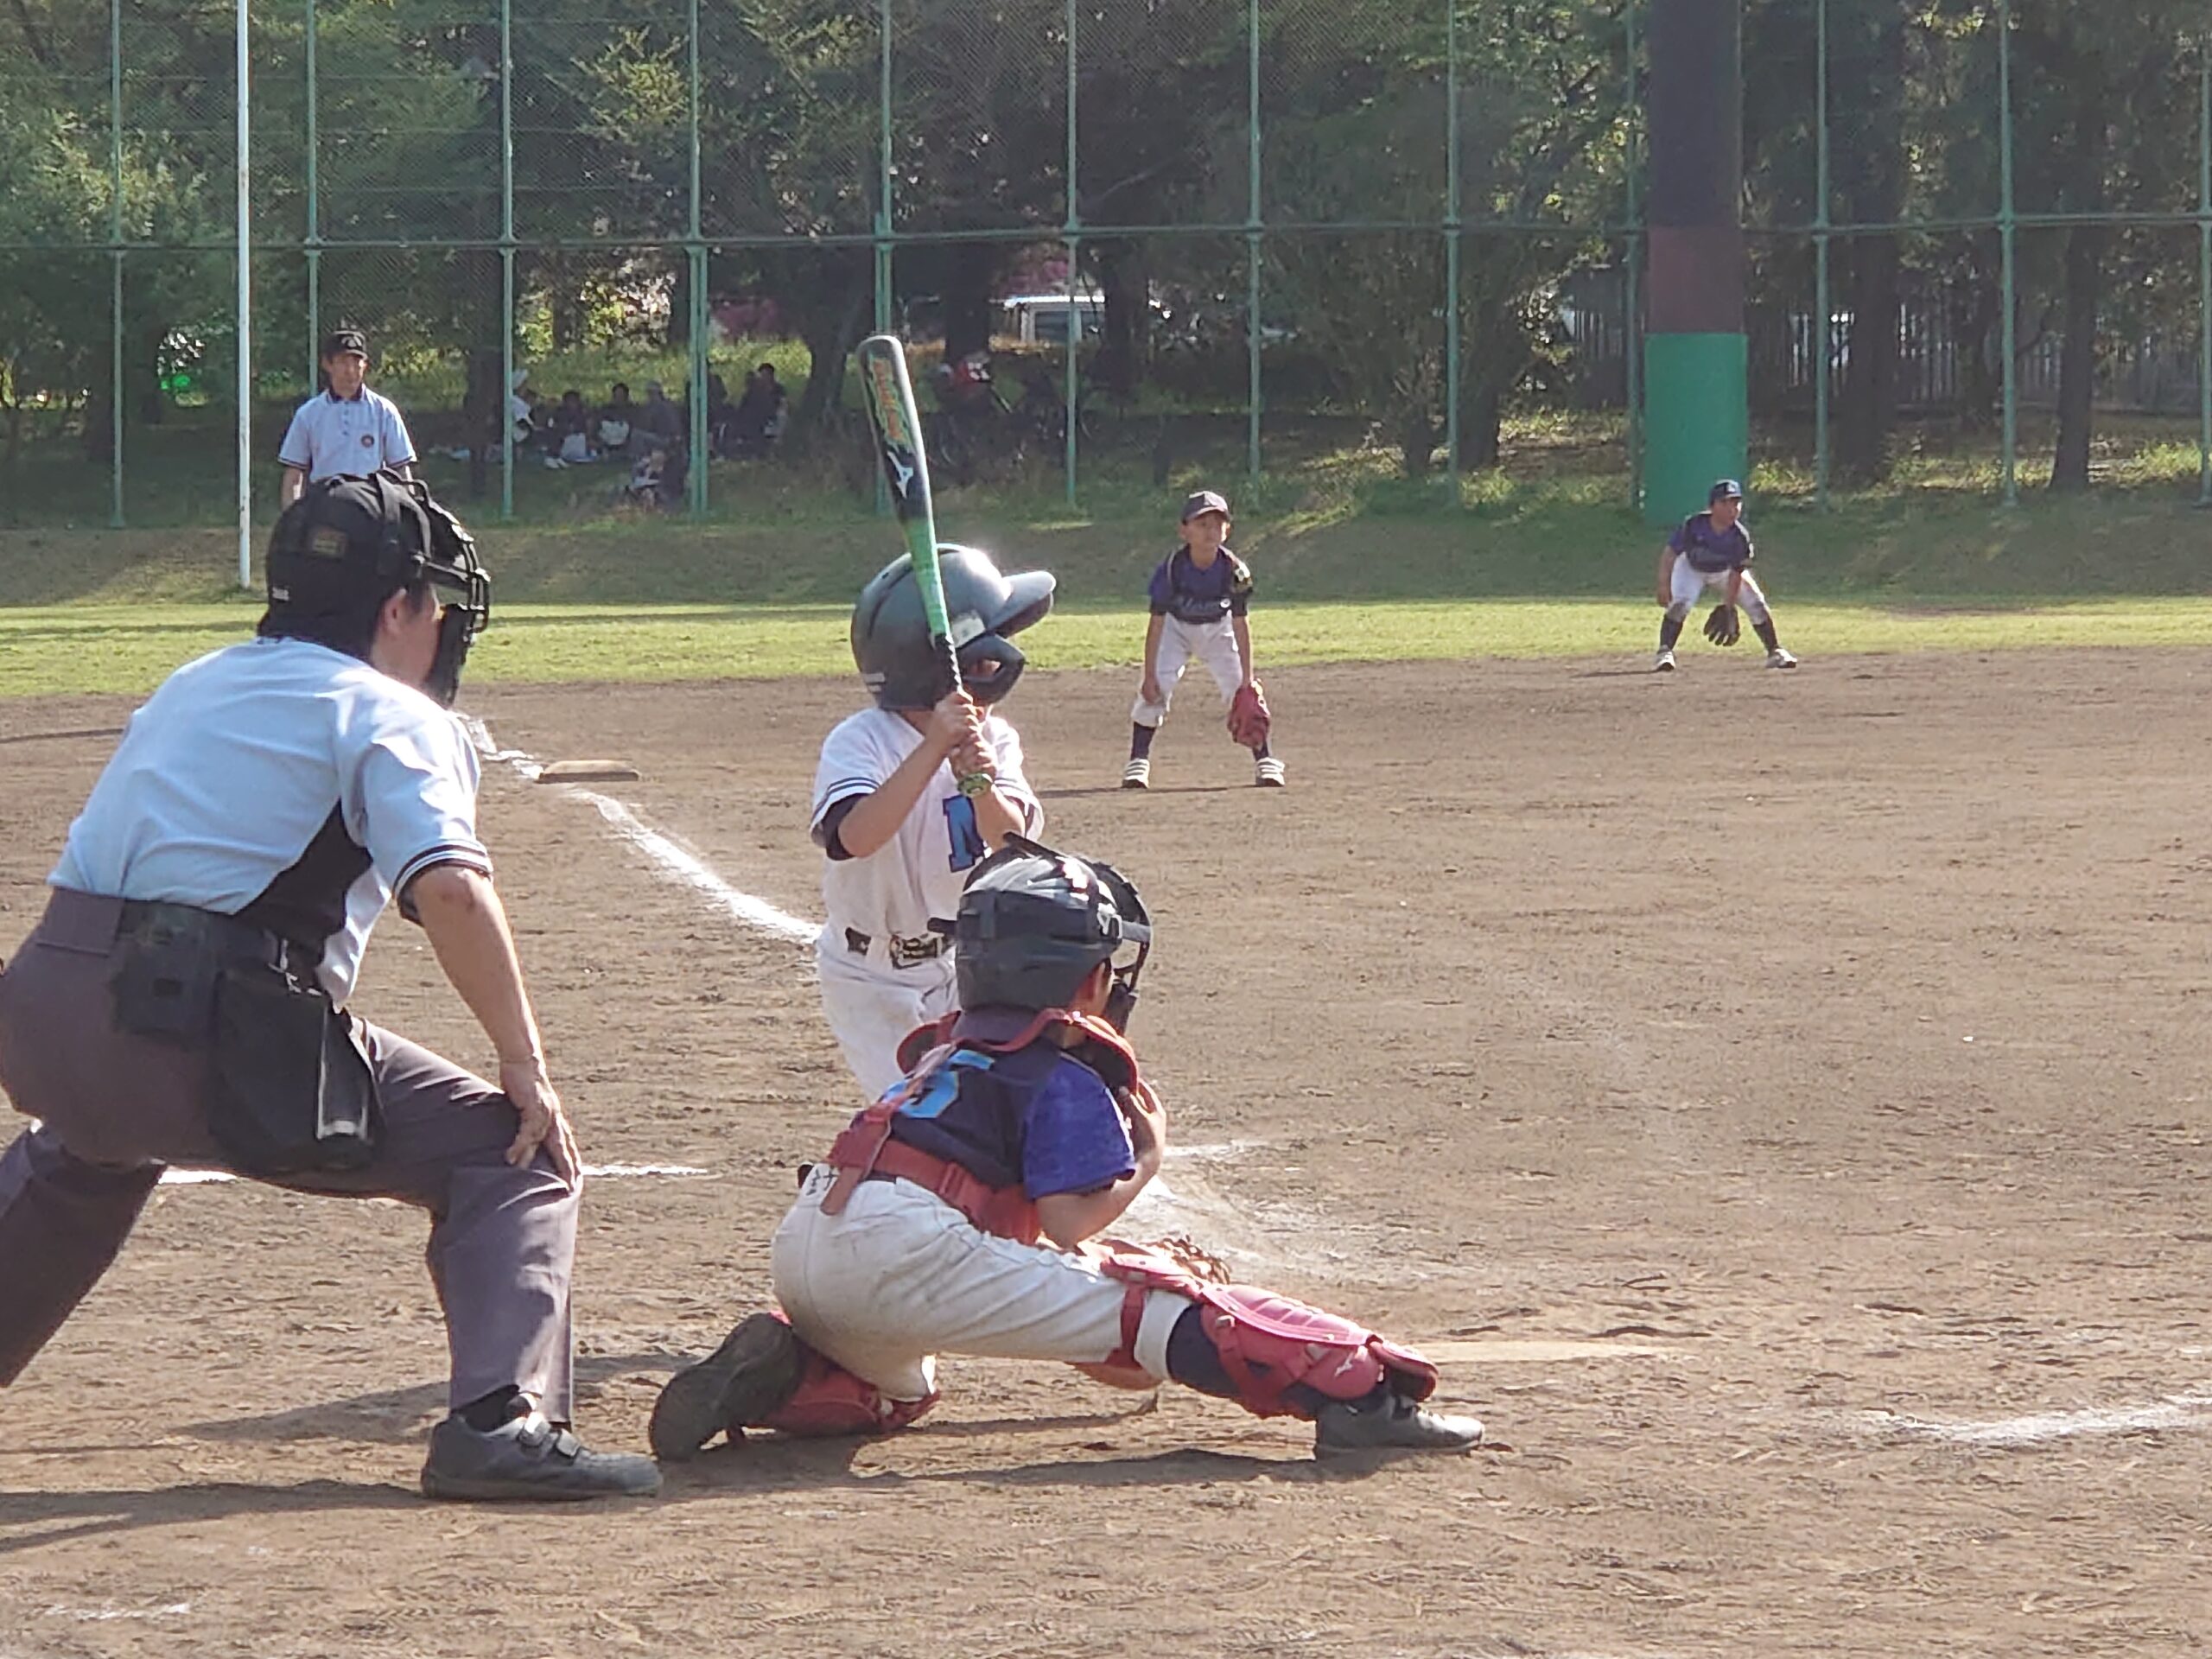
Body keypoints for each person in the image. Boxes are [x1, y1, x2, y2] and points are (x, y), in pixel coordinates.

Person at [0, 471, 660, 1503]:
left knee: (87, 1150)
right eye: (432, 600)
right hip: (192, 1029)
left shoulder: (194, 678)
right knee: (512, 1156)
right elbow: (448, 889)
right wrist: (527, 1067)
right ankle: (501, 1421)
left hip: (39, 1009)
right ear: (397, 610)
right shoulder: (389, 712)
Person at [646, 837, 1484, 1462]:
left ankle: (787, 1364)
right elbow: (1065, 1221)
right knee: (1148, 1303)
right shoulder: (1060, 1065)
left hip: (812, 1248)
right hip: (904, 1251)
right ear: (1084, 981)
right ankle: (1362, 1393)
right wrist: (1146, 1164)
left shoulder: (950, 1049)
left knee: (904, 1388)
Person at [808, 547, 1052, 1102]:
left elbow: (1012, 843)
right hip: (870, 977)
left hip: (964, 968)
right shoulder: (861, 740)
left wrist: (979, 782)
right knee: (924, 1119)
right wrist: (934, 748)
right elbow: (855, 837)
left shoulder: (996, 739)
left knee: (993, 1110)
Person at [1122, 489, 1283, 790]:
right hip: (1175, 629)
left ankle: (1266, 761)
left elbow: (1240, 622)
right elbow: (1156, 622)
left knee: (1241, 692)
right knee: (1157, 688)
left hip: (1218, 630)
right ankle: (1137, 762)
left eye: (1217, 524)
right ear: (1184, 530)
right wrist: (1148, 675)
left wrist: (1248, 677)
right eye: (1202, 523)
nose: (1211, 531)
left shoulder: (1235, 570)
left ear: (1227, 530)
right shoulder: (1172, 569)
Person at [1653, 479, 1799, 673]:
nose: (1732, 508)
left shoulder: (1740, 537)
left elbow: (1736, 573)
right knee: (1680, 603)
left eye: (1736, 502)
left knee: (1757, 604)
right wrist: (1664, 585)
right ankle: (1664, 653)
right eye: (1725, 503)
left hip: (1725, 572)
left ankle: (1775, 652)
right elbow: (1670, 553)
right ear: (1711, 506)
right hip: (1691, 567)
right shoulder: (1693, 525)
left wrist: (1728, 607)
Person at [277, 328, 416, 506]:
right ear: (327, 364)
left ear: (365, 365)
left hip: (372, 503)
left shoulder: (384, 411)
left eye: (357, 361)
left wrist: (409, 514)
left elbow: (401, 468)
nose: (350, 370)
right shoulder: (308, 414)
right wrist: (292, 519)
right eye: (343, 362)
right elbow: (294, 473)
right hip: (325, 503)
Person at [636, 380, 684, 448]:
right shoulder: (647, 408)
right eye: (649, 392)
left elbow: (676, 429)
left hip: (666, 440)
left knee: (637, 435)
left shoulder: (667, 407)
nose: (650, 395)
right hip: (657, 438)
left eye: (652, 392)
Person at [596, 383, 637, 455]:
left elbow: (634, 424)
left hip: (626, 436)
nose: (619, 397)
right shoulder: (606, 408)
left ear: (626, 396)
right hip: (609, 434)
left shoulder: (633, 409)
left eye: (621, 395)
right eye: (617, 395)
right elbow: (600, 421)